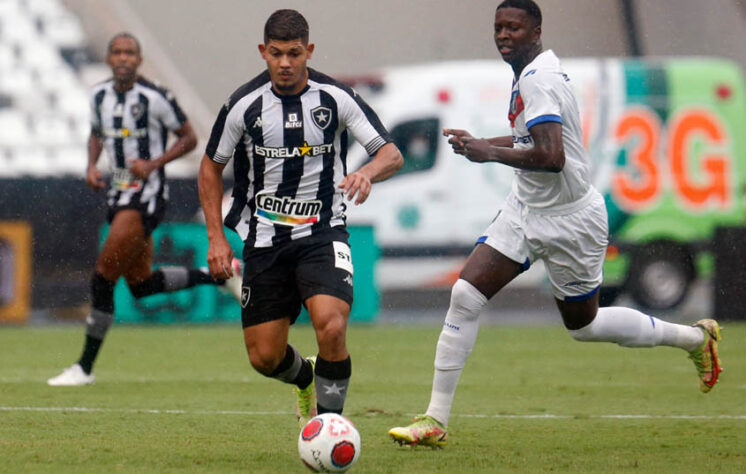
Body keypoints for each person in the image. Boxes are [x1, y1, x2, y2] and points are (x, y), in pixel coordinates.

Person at [388, 0, 722, 448]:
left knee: (584, 326)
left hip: (571, 221)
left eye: (514, 27)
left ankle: (693, 339)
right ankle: (435, 419)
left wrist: (489, 154)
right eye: (499, 27)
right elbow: (536, 139)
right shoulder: (536, 70)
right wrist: (484, 141)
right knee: (465, 294)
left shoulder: (538, 79)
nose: (504, 35)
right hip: (526, 210)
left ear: (537, 30)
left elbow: (551, 156)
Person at [198, 9, 403, 428]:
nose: (286, 63)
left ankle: (327, 429)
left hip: (323, 235)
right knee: (265, 357)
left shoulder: (336, 97)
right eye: (276, 54)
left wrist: (365, 172)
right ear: (263, 52)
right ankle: (306, 377)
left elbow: (391, 154)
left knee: (331, 326)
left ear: (309, 51)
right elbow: (209, 168)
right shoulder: (243, 104)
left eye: (294, 53)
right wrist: (216, 238)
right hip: (264, 241)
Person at [47, 33, 242, 387]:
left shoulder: (155, 98)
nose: (123, 58)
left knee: (103, 276)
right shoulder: (99, 96)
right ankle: (216, 275)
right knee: (141, 284)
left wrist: (154, 163)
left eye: (130, 53)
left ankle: (84, 368)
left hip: (146, 195)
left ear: (138, 60)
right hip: (117, 192)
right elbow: (96, 133)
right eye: (117, 52)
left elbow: (189, 138)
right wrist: (92, 165)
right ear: (109, 58)